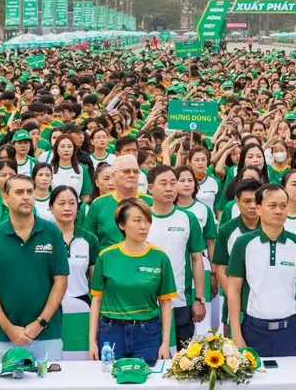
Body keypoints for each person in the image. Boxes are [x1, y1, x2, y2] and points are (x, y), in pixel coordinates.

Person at [0, 174, 70, 366]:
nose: (26, 196)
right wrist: (9, 328)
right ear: (5, 197)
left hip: (47, 334)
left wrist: (40, 324)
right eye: (19, 192)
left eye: (30, 191)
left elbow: (60, 281)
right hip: (5, 336)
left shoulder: (52, 232)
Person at [227, 183, 296, 357]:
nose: (279, 211)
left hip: (291, 330)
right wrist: (236, 334)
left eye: (283, 206)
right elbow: (233, 290)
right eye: (272, 206)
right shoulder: (243, 244)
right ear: (259, 209)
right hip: (253, 331)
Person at [88, 198, 176, 364]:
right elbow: (97, 300)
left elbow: (165, 303)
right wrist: (92, 342)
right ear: (122, 225)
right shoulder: (106, 257)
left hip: (148, 333)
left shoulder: (160, 257)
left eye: (147, 221)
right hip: (111, 332)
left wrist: (165, 343)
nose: (144, 226)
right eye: (137, 221)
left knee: (148, 381)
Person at [146, 165, 206, 348]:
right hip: (148, 302)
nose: (169, 188)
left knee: (183, 361)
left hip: (180, 301)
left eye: (173, 183)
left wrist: (199, 299)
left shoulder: (188, 218)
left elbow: (197, 259)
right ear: (150, 188)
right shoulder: (141, 217)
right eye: (163, 183)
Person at [82, 154, 153, 249]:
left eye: (136, 172)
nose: (132, 175)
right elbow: (87, 239)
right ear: (114, 176)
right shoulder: (98, 204)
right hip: (108, 261)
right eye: (126, 171)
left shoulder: (151, 202)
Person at [50, 185, 99, 304]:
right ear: (51, 208)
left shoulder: (89, 240)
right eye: (61, 203)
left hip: (82, 304)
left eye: (72, 203)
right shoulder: (43, 238)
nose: (67, 208)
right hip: (50, 306)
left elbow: (95, 282)